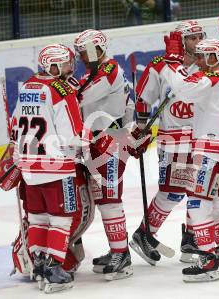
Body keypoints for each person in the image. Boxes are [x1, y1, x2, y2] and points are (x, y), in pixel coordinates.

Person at [131, 16, 219, 266]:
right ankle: (145, 234)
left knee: (201, 193)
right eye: (191, 38)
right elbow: (143, 97)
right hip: (175, 138)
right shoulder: (161, 64)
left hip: (203, 139)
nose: (198, 41)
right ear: (180, 40)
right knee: (174, 192)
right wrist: (141, 128)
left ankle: (192, 239)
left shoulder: (209, 60)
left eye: (200, 36)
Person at [73, 29, 148, 280]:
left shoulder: (109, 70)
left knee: (110, 199)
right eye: (81, 52)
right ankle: (118, 249)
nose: (83, 56)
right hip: (98, 141)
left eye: (87, 51)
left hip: (110, 141)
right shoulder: (96, 71)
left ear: (100, 48)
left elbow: (81, 97)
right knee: (105, 199)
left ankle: (121, 255)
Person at [10, 43, 85, 293]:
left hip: (30, 169)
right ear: (52, 65)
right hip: (57, 167)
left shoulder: (27, 87)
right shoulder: (61, 89)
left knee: (38, 219)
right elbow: (73, 133)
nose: (69, 68)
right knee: (62, 220)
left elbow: (13, 128)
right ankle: (54, 270)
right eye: (64, 64)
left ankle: (40, 264)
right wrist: (87, 143)